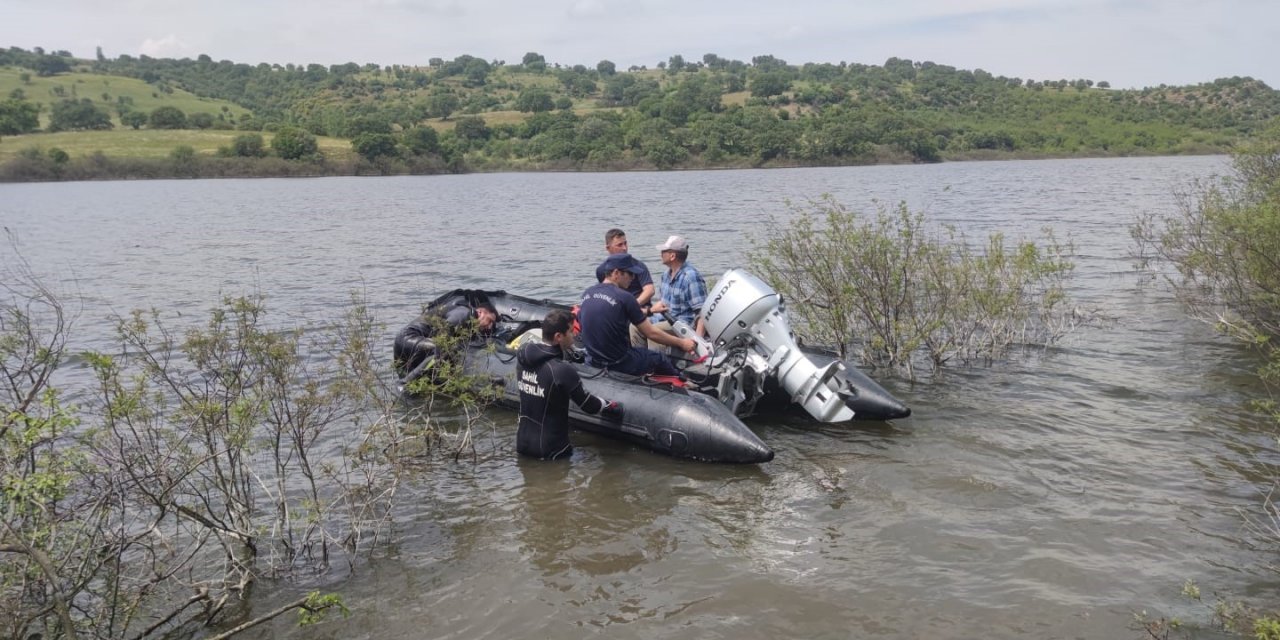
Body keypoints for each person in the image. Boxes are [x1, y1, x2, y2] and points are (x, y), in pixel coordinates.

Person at [516, 309, 623, 459]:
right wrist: (609, 406)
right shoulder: (562, 370)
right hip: (553, 451)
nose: (574, 336)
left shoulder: (524, 358)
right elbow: (589, 405)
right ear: (559, 336)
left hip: (523, 445)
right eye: (571, 332)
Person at [579, 253, 696, 378]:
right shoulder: (625, 297)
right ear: (616, 273)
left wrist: (650, 311)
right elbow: (651, 333)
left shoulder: (587, 294)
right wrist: (682, 343)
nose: (633, 278)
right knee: (659, 358)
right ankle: (682, 384)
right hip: (619, 363)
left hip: (593, 361)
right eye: (630, 273)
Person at [393, 301, 498, 379]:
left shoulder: (469, 325)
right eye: (490, 320)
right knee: (444, 349)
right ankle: (405, 383)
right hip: (409, 338)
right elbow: (443, 335)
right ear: (480, 312)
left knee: (413, 394)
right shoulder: (464, 312)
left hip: (409, 344)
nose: (489, 326)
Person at [595, 228, 655, 347]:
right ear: (608, 248)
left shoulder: (638, 265)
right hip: (617, 309)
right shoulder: (602, 270)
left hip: (638, 309)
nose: (624, 248)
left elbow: (649, 290)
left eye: (625, 243)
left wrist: (632, 306)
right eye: (619, 245)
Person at [648, 235, 708, 349]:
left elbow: (702, 313)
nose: (661, 253)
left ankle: (656, 364)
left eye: (664, 251)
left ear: (672, 256)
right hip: (664, 319)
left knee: (655, 332)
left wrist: (699, 343)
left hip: (681, 325)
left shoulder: (690, 277)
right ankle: (640, 361)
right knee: (636, 327)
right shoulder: (665, 275)